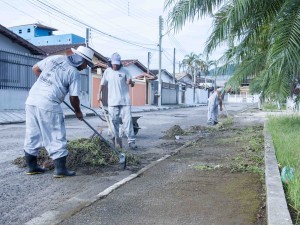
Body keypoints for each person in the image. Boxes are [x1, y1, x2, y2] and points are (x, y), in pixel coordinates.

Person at [23, 46, 95, 178]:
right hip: (48, 103)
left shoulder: (55, 58)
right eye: (86, 63)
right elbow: (74, 98)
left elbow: (35, 68)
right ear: (80, 60)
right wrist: (78, 112)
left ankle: (32, 167)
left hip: (32, 99)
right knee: (56, 135)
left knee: (32, 134)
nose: (86, 67)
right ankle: (60, 170)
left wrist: (47, 84)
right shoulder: (74, 73)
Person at [98, 52, 137, 150]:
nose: (115, 65)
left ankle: (131, 141)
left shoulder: (125, 71)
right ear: (110, 62)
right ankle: (116, 140)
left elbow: (132, 84)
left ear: (120, 63)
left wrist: (131, 82)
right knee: (113, 122)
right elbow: (102, 84)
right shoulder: (107, 71)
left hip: (125, 102)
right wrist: (99, 94)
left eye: (117, 63)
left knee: (127, 122)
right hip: (112, 102)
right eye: (113, 63)